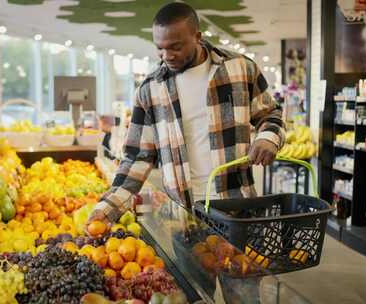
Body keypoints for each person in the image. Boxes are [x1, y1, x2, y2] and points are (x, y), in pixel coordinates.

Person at [87, 3, 285, 300]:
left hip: (237, 212)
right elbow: (137, 158)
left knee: (244, 296)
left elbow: (271, 115)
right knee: (193, 297)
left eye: (175, 47)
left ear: (198, 35)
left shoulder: (240, 68)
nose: (167, 56)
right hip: (184, 219)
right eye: (160, 49)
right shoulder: (151, 89)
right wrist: (106, 209)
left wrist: (268, 138)